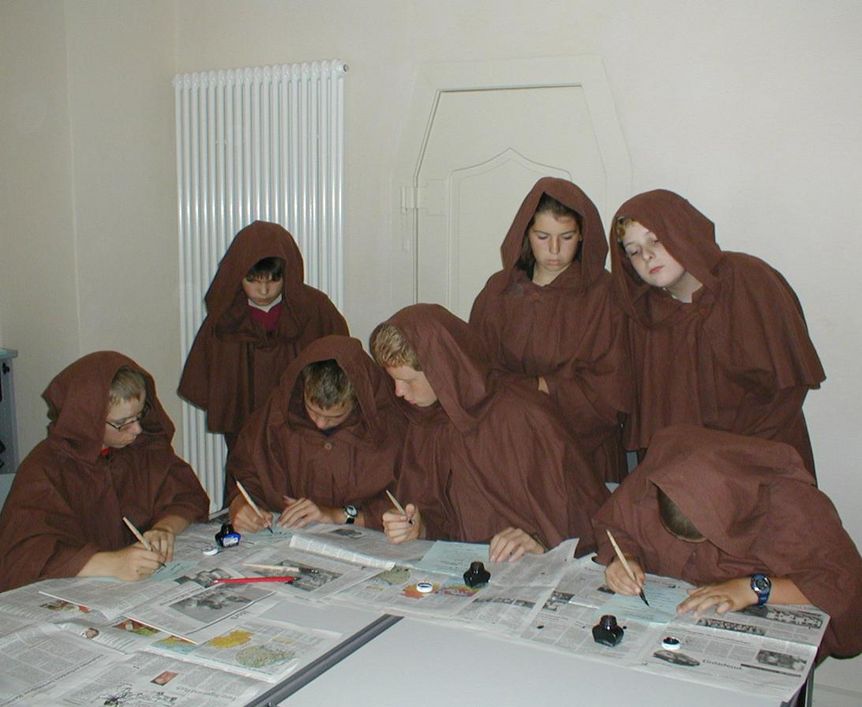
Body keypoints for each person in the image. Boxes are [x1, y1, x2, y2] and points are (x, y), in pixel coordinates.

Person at [593, 425, 862, 661]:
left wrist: (754, 589)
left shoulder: (792, 506)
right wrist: (624, 559)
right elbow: (615, 525)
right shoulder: (659, 474)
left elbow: (846, 589)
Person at [370, 304, 609, 562]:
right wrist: (418, 526)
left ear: (441, 370)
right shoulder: (426, 421)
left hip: (521, 568)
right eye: (393, 380)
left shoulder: (523, 414)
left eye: (408, 381)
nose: (399, 392)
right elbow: (439, 517)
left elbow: (581, 516)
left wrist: (539, 543)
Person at [610, 190, 824, 475]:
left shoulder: (750, 280)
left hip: (765, 458)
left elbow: (785, 393)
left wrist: (729, 458)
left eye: (656, 240)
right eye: (634, 251)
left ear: (680, 232)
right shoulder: (643, 318)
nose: (647, 256)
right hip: (687, 472)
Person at [0, 352, 209, 591]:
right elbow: (23, 556)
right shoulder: (46, 467)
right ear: (87, 420)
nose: (137, 429)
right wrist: (112, 564)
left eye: (139, 416)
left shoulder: (141, 448)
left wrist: (165, 528)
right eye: (123, 423)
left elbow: (188, 497)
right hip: (76, 591)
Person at [470, 177, 631, 482]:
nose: (554, 249)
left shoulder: (604, 294)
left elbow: (613, 385)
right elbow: (476, 367)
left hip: (584, 450)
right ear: (526, 234)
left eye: (567, 236)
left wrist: (541, 387)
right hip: (511, 443)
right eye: (543, 236)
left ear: (583, 234)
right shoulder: (499, 291)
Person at [178, 220, 348, 499]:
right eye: (253, 281)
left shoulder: (314, 309)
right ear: (237, 277)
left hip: (304, 426)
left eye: (273, 280)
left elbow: (342, 363)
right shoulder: (225, 317)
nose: (264, 290)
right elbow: (207, 375)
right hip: (245, 425)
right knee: (248, 489)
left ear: (288, 274)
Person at [227, 336, 406, 533]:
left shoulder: (387, 425)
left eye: (334, 417)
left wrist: (337, 515)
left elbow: (407, 502)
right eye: (312, 411)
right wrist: (240, 505)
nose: (320, 423)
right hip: (285, 536)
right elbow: (245, 475)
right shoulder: (278, 413)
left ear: (358, 403)